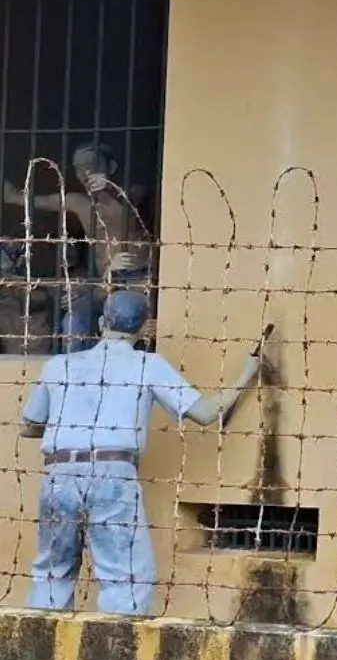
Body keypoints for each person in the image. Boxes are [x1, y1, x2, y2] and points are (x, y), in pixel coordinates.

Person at [19, 291, 263, 615]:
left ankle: (37, 656)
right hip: (113, 473)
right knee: (127, 582)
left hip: (59, 473)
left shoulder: (59, 365)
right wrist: (247, 372)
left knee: (52, 576)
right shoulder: (148, 365)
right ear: (143, 329)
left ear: (102, 323)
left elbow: (29, 427)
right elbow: (205, 413)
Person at [3, 142, 155, 351]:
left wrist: (110, 187)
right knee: (73, 323)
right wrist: (10, 194)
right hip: (105, 285)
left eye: (91, 164)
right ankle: (74, 377)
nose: (85, 171)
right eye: (78, 166)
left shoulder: (134, 194)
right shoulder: (80, 203)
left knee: (139, 334)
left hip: (139, 281)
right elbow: (23, 199)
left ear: (111, 167)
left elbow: (135, 206)